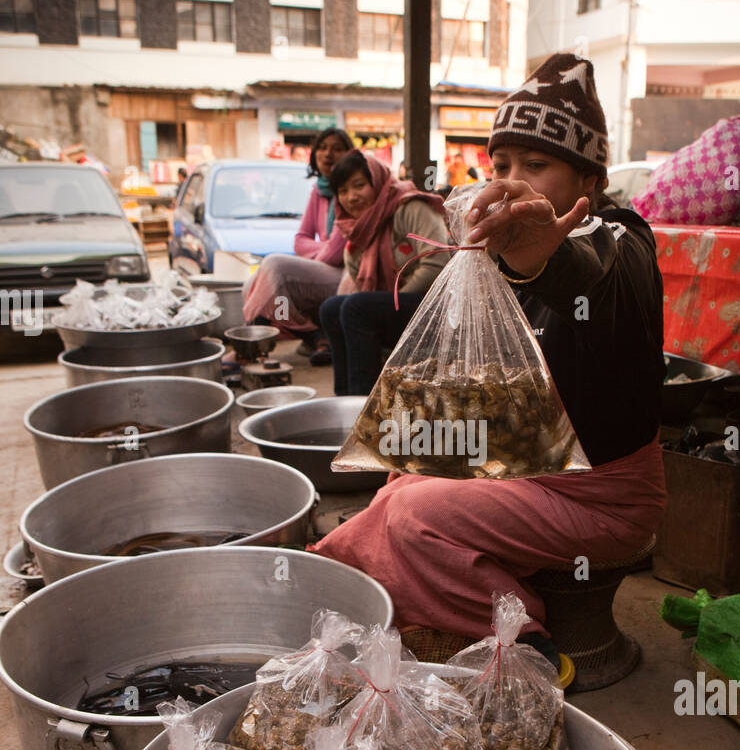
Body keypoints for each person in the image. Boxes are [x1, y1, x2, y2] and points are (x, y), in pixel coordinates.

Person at [311, 53, 667, 665]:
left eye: (538, 164)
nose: (514, 179)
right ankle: (340, 585)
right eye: (502, 164)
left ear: (589, 180)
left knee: (417, 515)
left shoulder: (622, 242)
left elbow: (587, 274)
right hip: (538, 467)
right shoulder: (508, 252)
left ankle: (522, 642)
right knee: (403, 477)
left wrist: (545, 261)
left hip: (603, 498)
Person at [318, 150, 450, 395]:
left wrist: (392, 304)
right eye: (343, 191)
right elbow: (364, 286)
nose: (351, 197)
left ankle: (363, 401)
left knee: (357, 308)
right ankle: (344, 399)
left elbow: (436, 263)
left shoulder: (409, 207)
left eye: (359, 186)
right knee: (331, 309)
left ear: (377, 182)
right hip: (398, 307)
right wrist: (385, 306)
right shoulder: (356, 232)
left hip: (436, 307)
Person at [242, 127, 353, 363]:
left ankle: (300, 334)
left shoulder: (350, 190)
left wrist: (317, 251)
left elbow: (336, 253)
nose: (327, 154)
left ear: (350, 154)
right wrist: (321, 249)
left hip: (348, 275)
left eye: (337, 149)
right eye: (322, 148)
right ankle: (303, 334)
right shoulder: (319, 190)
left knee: (274, 265)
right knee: (252, 283)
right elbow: (300, 239)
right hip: (325, 267)